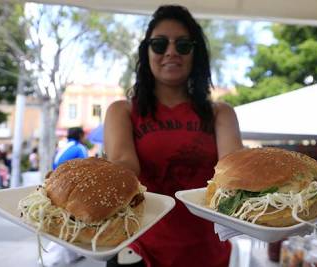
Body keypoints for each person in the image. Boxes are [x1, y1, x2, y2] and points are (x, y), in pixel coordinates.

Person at [103, 5, 243, 267]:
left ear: (194, 53)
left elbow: (235, 169)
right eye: (159, 44)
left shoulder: (220, 113)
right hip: (138, 251)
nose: (170, 52)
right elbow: (125, 163)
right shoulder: (122, 111)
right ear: (147, 52)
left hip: (207, 252)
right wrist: (96, 172)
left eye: (183, 45)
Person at [43, 127, 88, 266]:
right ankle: (48, 258)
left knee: (66, 222)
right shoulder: (80, 148)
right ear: (80, 135)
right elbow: (87, 169)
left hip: (57, 187)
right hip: (71, 190)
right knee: (69, 222)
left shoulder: (63, 147)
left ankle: (72, 254)